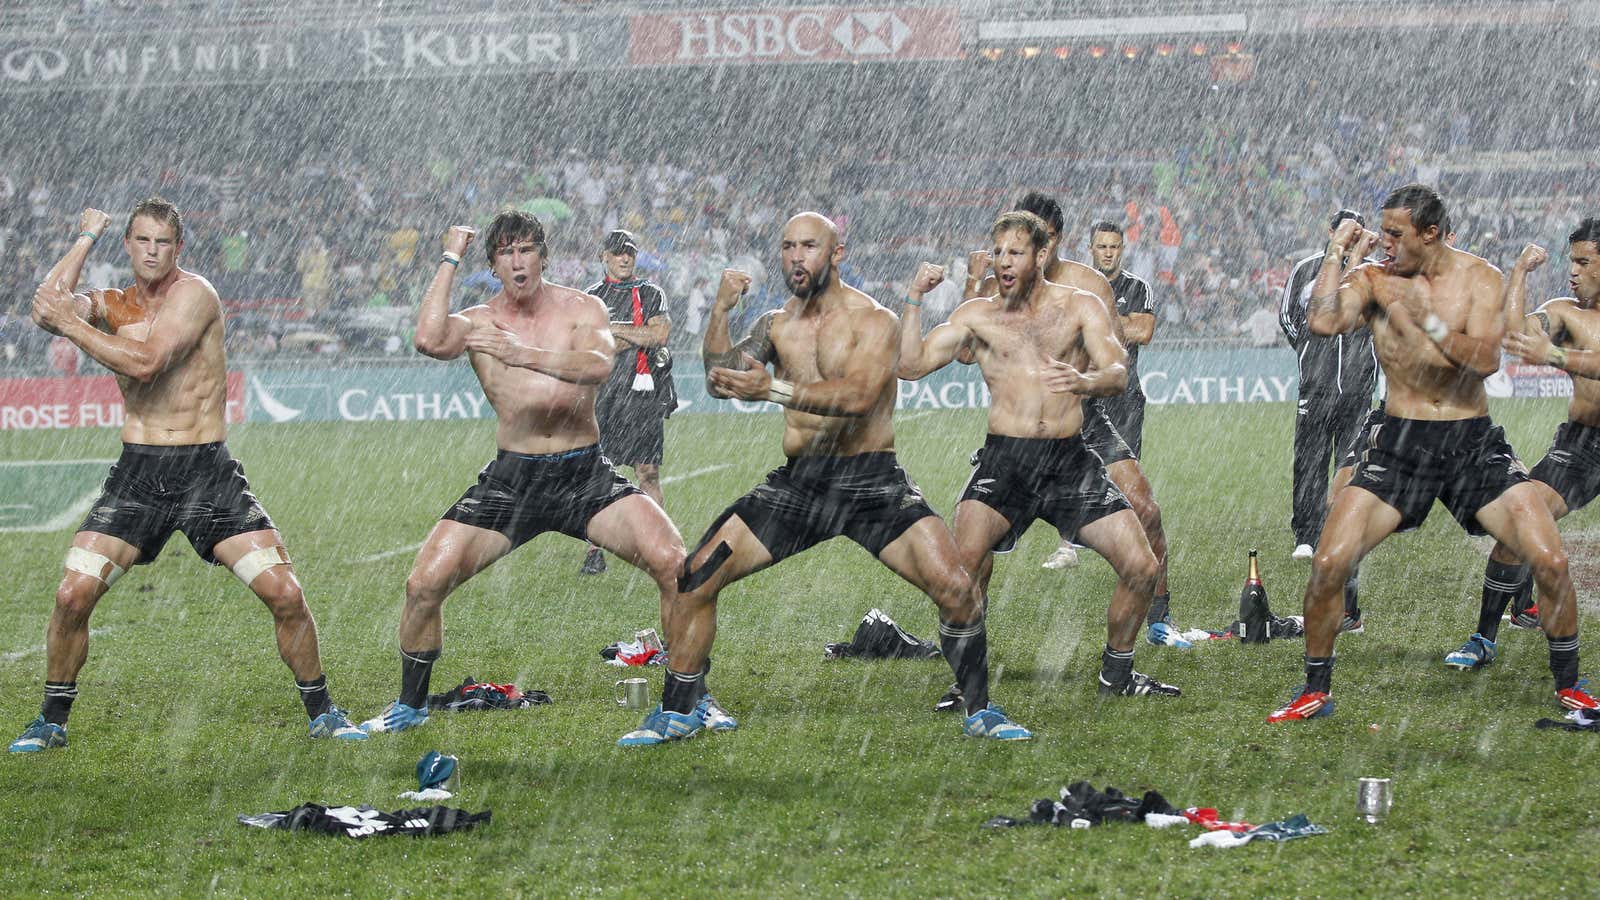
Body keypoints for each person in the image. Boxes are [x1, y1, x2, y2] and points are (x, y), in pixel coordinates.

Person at [618, 212, 1032, 746]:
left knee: (958, 589)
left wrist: (774, 391)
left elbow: (858, 398)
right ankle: (680, 710)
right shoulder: (775, 323)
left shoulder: (873, 319)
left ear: (836, 254)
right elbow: (722, 378)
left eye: (809, 246)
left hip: (871, 482)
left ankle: (980, 708)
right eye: (788, 246)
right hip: (801, 483)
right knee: (696, 576)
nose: (796, 257)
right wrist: (720, 311)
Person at [11, 200, 366, 753]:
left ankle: (323, 711)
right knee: (71, 595)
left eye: (163, 243)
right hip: (139, 475)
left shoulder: (194, 295)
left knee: (285, 594)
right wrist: (84, 239)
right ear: (126, 246)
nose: (153, 252)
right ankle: (50, 722)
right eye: (143, 241)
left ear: (179, 250)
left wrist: (70, 326)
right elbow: (45, 310)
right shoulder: (113, 302)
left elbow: (147, 363)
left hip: (206, 473)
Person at [1269, 184, 1597, 722]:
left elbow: (1486, 359)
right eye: (1383, 231)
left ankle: (1571, 687)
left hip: (1471, 444)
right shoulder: (1373, 277)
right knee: (1329, 562)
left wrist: (1429, 319)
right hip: (1399, 442)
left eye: (1396, 234)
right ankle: (1315, 690)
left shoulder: (1479, 277)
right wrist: (1336, 254)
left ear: (1432, 234)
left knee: (1551, 560)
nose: (1386, 242)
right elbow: (1322, 321)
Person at [358, 211, 686, 734]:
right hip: (514, 479)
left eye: (527, 249)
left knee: (675, 565)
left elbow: (598, 365)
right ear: (493, 264)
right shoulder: (479, 320)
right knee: (423, 584)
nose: (518, 261)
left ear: (543, 256)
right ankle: (410, 707)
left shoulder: (584, 306)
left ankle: (686, 704)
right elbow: (428, 338)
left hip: (583, 473)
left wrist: (522, 353)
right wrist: (448, 258)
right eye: (506, 253)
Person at [899, 213, 1179, 704]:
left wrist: (1086, 381)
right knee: (960, 573)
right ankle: (968, 685)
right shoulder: (978, 314)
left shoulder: (1081, 305)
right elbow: (911, 364)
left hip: (1070, 461)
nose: (1004, 262)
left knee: (1141, 566)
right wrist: (915, 299)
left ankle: (1116, 677)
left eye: (1015, 252)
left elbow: (1117, 369)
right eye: (999, 252)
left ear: (1041, 255)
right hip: (1006, 462)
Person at [966, 194, 1184, 647]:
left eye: (1035, 238)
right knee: (973, 544)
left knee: (1146, 511)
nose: (1022, 251)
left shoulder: (1087, 287)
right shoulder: (996, 286)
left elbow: (1119, 349)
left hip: (1085, 421)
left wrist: (1081, 372)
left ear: (1054, 241)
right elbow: (967, 352)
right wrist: (972, 284)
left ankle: (1159, 622)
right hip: (1019, 434)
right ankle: (968, 641)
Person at [1444, 222, 1600, 669]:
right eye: (1571, 261)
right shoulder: (1567, 313)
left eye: (1584, 262)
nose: (1573, 272)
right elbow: (1516, 337)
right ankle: (1484, 638)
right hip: (1584, 445)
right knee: (1518, 523)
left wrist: (1555, 356)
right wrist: (1518, 276)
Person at [1280, 210, 1379, 561]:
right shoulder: (1307, 269)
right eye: (1344, 231)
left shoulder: (1373, 271)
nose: (1351, 237)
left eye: (1357, 232)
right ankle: (1307, 534)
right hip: (1317, 385)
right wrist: (1310, 351)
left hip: (1358, 386)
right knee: (1310, 460)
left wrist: (1366, 359)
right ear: (1331, 231)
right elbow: (1288, 317)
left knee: (1353, 462)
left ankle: (1346, 531)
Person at [579, 229, 676, 576]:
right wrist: (636, 334)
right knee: (599, 475)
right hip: (604, 398)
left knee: (648, 472)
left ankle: (657, 544)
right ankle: (594, 550)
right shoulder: (592, 296)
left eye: (630, 253)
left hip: (642, 399)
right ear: (604, 256)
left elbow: (659, 334)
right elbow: (593, 345)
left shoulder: (651, 292)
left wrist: (613, 330)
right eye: (618, 252)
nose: (624, 258)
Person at [1087, 221, 1158, 457]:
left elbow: (1143, 333)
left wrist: (1091, 319)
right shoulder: (1077, 284)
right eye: (1102, 247)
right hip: (1085, 391)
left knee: (1125, 475)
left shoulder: (1137, 287)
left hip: (1125, 396)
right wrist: (1124, 322)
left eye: (1114, 247)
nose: (1108, 253)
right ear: (1090, 249)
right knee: (1079, 476)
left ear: (1122, 249)